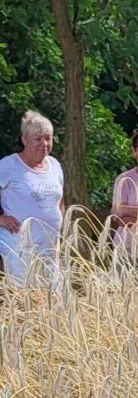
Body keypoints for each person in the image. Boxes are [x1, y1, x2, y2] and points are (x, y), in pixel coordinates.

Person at [0, 110, 64, 285]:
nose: (44, 143)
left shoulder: (55, 166)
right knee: (24, 301)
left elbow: (60, 201)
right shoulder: (8, 166)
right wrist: (2, 219)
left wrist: (60, 225)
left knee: (51, 302)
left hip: (51, 248)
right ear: (24, 139)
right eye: (38, 139)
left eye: (48, 138)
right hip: (19, 249)